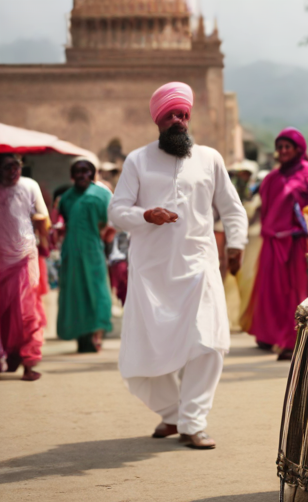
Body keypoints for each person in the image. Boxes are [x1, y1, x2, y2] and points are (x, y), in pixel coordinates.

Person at [109, 82, 248, 449]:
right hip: (151, 271)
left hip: (199, 264)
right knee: (146, 348)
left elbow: (232, 208)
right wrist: (146, 215)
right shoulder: (138, 160)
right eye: (172, 115)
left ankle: (193, 422)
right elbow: (117, 210)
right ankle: (172, 413)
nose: (179, 121)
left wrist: (236, 244)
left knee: (209, 341)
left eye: (184, 114)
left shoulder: (210, 159)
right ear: (158, 119)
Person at [244, 128, 308, 360]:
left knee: (296, 292)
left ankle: (293, 339)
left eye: (288, 147)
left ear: (298, 149)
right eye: (280, 147)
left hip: (298, 242)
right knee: (271, 292)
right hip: (273, 242)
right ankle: (270, 334)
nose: (283, 151)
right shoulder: (272, 179)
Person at [0, 153, 49, 381]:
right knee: (5, 311)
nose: (13, 171)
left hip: (25, 256)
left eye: (16, 165)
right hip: (1, 260)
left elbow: (42, 217)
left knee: (27, 310)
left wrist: (45, 240)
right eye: (7, 167)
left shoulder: (29, 185)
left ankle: (29, 362)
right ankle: (10, 357)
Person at [57, 158, 114, 353]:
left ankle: (95, 334)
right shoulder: (66, 198)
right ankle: (82, 337)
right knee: (76, 294)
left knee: (97, 293)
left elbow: (111, 223)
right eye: (78, 172)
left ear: (93, 174)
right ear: (72, 176)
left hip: (93, 252)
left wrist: (105, 243)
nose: (82, 175)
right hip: (71, 253)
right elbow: (64, 222)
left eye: (86, 171)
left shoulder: (102, 195)